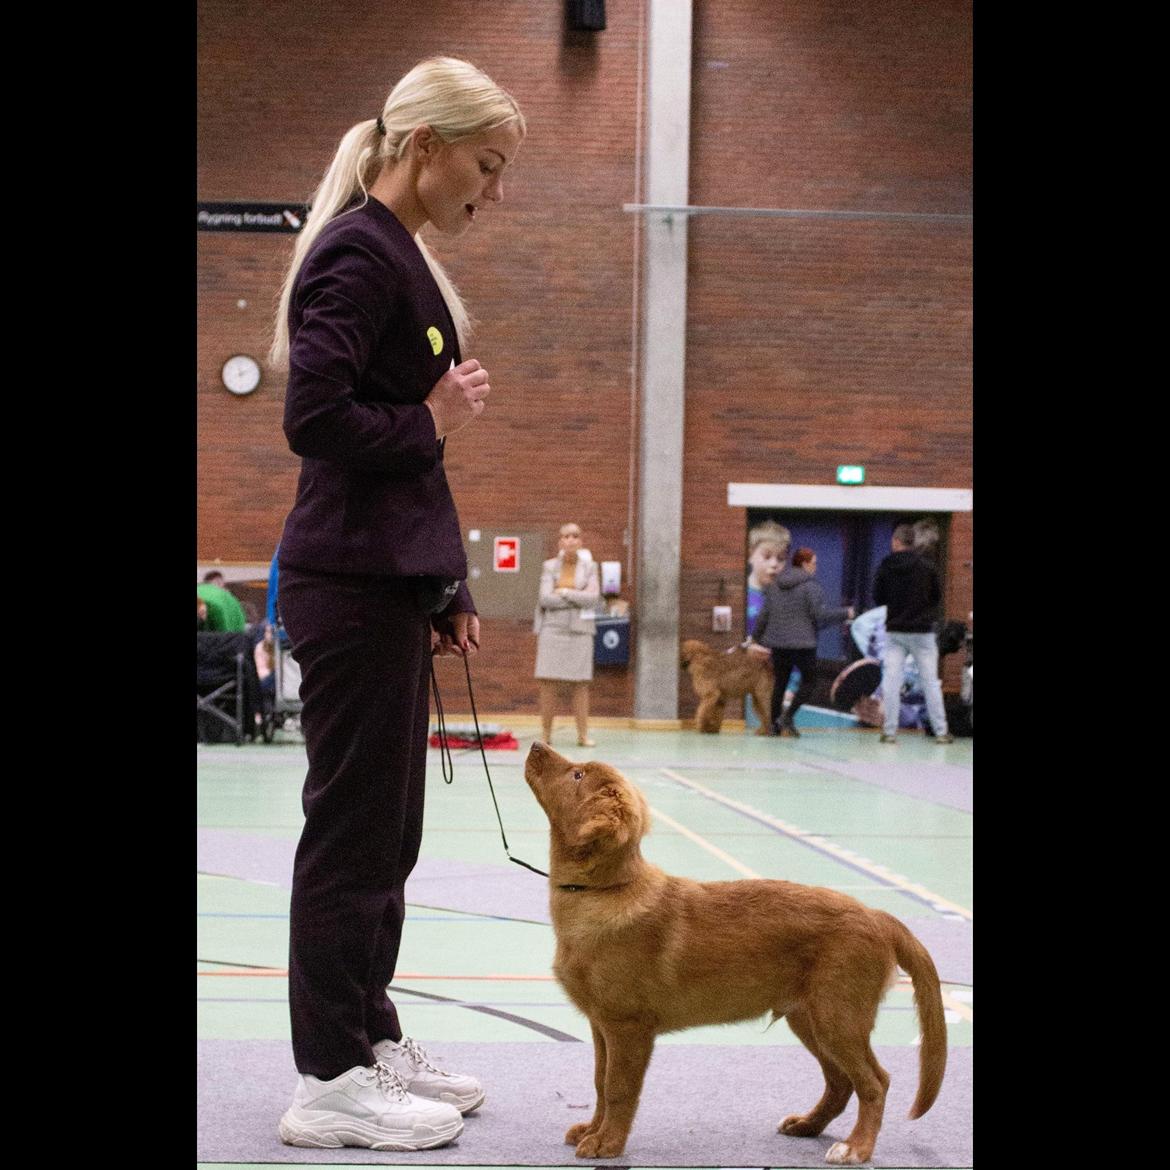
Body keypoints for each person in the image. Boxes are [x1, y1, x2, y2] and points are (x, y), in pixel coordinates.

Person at [267, 56, 525, 1152]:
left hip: (388, 587)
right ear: (425, 146)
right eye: (485, 163)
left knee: (391, 835)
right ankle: (327, 1079)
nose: (491, 190)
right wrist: (430, 415)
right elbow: (315, 420)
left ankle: (369, 1039)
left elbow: (410, 458)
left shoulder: (399, 256)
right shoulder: (360, 255)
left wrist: (446, 581)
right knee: (354, 838)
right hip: (346, 587)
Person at [749, 548, 854, 737]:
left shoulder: (776, 585)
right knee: (810, 681)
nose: (815, 566)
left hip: (779, 644)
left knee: (780, 683)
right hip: (803, 644)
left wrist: (755, 638)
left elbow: (764, 615)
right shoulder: (811, 586)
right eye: (814, 562)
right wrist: (846, 613)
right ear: (805, 564)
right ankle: (788, 717)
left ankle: (774, 726)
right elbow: (819, 615)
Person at [871, 523, 954, 744]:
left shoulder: (886, 565)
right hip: (923, 632)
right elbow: (936, 596)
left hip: (895, 630)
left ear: (895, 542)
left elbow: (878, 597)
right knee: (930, 682)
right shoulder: (928, 566)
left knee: (891, 680)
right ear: (913, 542)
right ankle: (941, 731)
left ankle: (889, 732)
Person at [534, 523, 601, 746]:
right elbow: (545, 599)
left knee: (581, 685)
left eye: (575, 536)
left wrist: (562, 591)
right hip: (552, 630)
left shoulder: (591, 566)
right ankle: (546, 734)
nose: (570, 540)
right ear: (560, 542)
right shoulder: (549, 566)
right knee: (548, 683)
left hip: (581, 631)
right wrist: (577, 596)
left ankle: (582, 735)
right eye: (565, 536)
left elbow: (593, 598)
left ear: (580, 541)